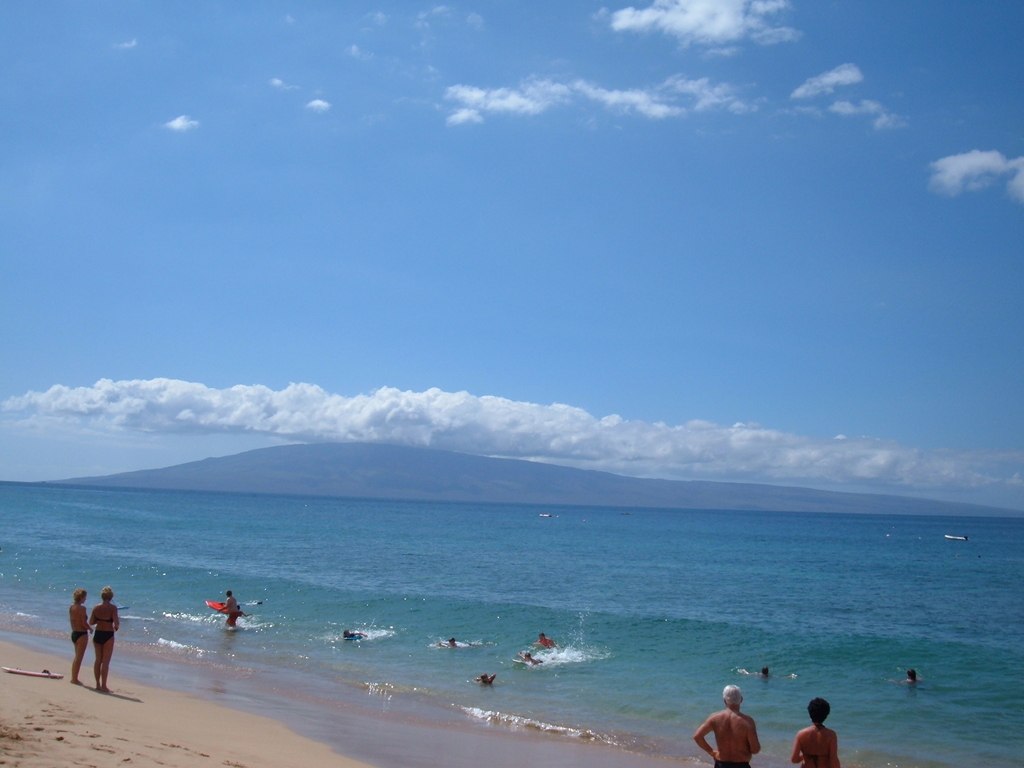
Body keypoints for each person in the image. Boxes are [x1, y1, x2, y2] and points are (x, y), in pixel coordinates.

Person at [693, 685, 761, 768]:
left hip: (721, 764)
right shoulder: (747, 721)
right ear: (741, 700)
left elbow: (697, 736)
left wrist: (712, 752)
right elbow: (755, 749)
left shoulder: (715, 718)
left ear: (724, 701)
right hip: (741, 764)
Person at [791, 698, 839, 768]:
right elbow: (834, 760)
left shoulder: (801, 734)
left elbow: (794, 759)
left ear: (810, 714)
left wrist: (805, 756)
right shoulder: (831, 735)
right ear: (826, 715)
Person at [89, 586, 119, 692]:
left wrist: (100, 621)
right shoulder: (113, 608)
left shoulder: (96, 608)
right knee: (105, 662)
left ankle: (97, 684)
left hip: (98, 633)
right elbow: (117, 624)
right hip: (108, 635)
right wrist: (114, 627)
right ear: (111, 596)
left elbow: (91, 622)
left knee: (98, 660)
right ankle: (104, 685)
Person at [69, 588, 91, 685]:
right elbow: (83, 623)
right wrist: (90, 628)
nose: (85, 599)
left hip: (74, 633)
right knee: (79, 657)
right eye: (84, 597)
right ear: (81, 597)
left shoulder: (72, 607)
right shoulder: (82, 609)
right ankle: (74, 679)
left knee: (76, 657)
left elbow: (73, 620)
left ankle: (74, 677)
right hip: (81, 634)